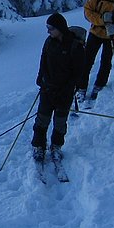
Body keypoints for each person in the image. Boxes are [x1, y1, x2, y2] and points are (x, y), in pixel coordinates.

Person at [31, 12, 85, 163]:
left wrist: (67, 88)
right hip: (48, 89)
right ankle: (39, 146)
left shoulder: (75, 46)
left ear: (60, 28)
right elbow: (43, 61)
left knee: (60, 122)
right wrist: (40, 79)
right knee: (42, 119)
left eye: (51, 28)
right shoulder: (49, 42)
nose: (48, 31)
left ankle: (56, 146)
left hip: (64, 92)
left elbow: (78, 72)